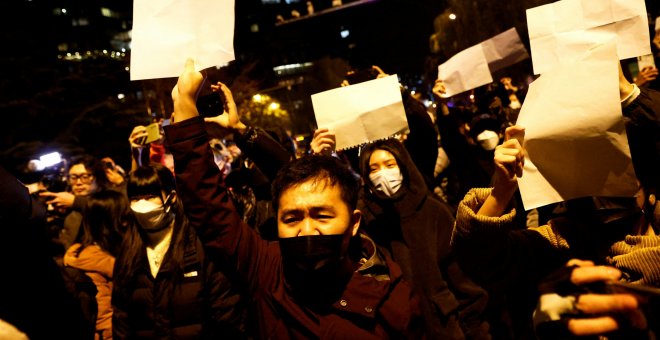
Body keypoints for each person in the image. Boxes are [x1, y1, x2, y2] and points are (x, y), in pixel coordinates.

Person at [165, 58, 424, 338]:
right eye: (291, 218)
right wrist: (185, 108)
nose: (307, 230)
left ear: (354, 222)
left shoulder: (393, 301)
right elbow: (210, 208)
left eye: (322, 215)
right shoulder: (266, 270)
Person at [356, 138, 491, 339]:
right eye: (374, 169)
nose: (383, 173)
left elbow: (462, 279)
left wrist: (475, 331)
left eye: (389, 165)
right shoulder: (365, 223)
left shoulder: (433, 211)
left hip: (443, 327)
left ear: (404, 166)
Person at [112, 163, 248, 339]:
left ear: (172, 197)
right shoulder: (128, 251)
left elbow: (226, 312)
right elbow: (122, 318)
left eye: (150, 196)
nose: (142, 204)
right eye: (136, 198)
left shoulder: (197, 245)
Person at [63, 190, 129, 340]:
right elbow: (102, 318)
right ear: (112, 221)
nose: (129, 221)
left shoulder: (113, 253)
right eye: (124, 216)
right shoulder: (92, 265)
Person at [40, 154, 110, 257]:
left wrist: (75, 202)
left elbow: (108, 209)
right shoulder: (71, 205)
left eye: (85, 177)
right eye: (73, 177)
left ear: (98, 178)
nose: (78, 182)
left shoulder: (111, 198)